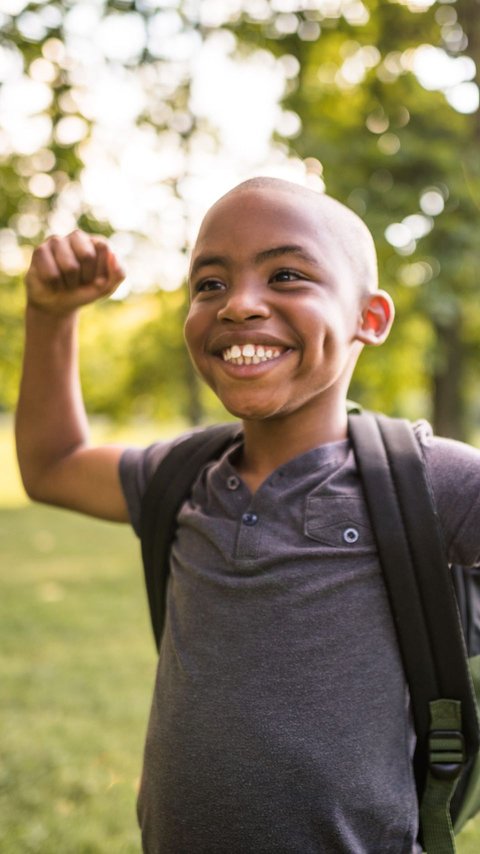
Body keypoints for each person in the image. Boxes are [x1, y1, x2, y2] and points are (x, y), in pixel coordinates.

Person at [16, 177, 480, 853]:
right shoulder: (180, 478)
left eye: (287, 275)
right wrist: (52, 316)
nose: (237, 305)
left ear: (369, 319)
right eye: (209, 284)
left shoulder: (430, 480)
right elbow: (53, 464)